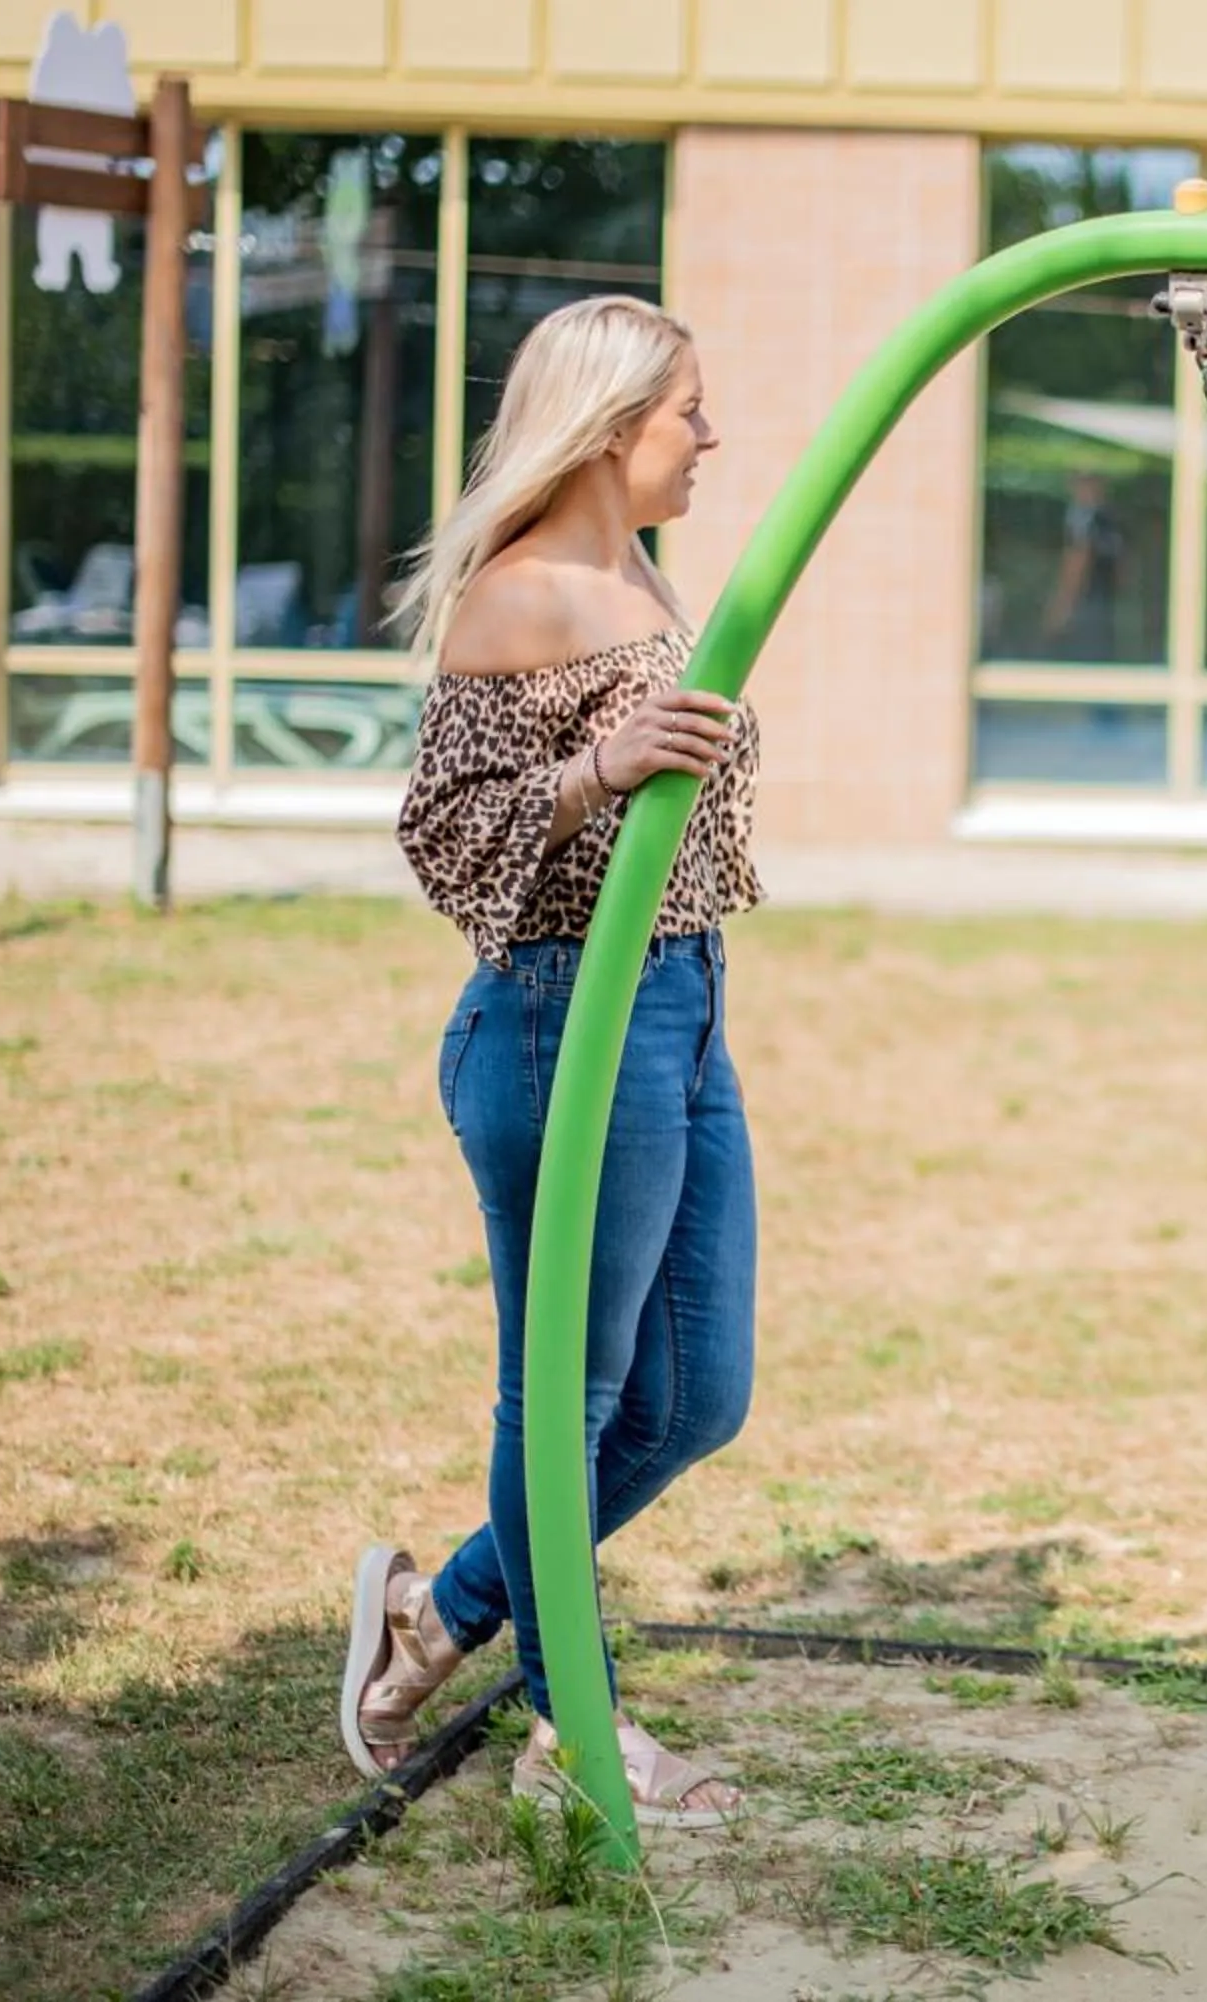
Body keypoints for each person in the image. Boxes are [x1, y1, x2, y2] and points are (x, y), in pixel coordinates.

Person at [338, 294, 757, 1826]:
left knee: (697, 1392)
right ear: (608, 426)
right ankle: (574, 1725)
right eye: (688, 411)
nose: (709, 437)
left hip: (686, 1001)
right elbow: (442, 837)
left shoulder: (643, 572)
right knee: (569, 1397)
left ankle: (441, 1609)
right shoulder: (518, 597)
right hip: (560, 1010)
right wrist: (597, 768)